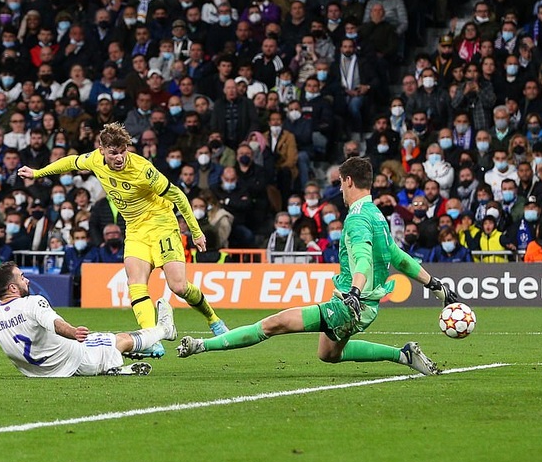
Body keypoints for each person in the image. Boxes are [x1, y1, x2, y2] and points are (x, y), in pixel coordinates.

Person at [176, 157, 458, 376]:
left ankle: (201, 345)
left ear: (348, 181)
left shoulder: (357, 218)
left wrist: (354, 292)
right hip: (364, 306)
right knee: (328, 354)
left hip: (350, 304)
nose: (339, 190)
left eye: (340, 183)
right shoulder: (377, 215)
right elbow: (397, 256)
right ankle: (405, 355)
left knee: (272, 324)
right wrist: (434, 284)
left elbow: (361, 258)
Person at [18, 123, 229, 361]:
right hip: (136, 229)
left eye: (122, 151)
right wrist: (37, 173)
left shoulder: (142, 169)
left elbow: (178, 195)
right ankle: (152, 339)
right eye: (113, 153)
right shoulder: (95, 160)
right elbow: (70, 162)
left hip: (161, 225)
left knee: (178, 287)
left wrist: (196, 231)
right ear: (102, 150)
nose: (119, 157)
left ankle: (214, 319)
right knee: (136, 283)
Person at [0, 262, 177, 380]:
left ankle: (116, 364)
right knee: (120, 340)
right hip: (75, 358)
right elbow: (54, 322)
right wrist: (73, 332)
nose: (26, 280)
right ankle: (164, 330)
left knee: (108, 341)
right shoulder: (33, 302)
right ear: (12, 287)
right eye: (22, 277)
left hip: (38, 374)